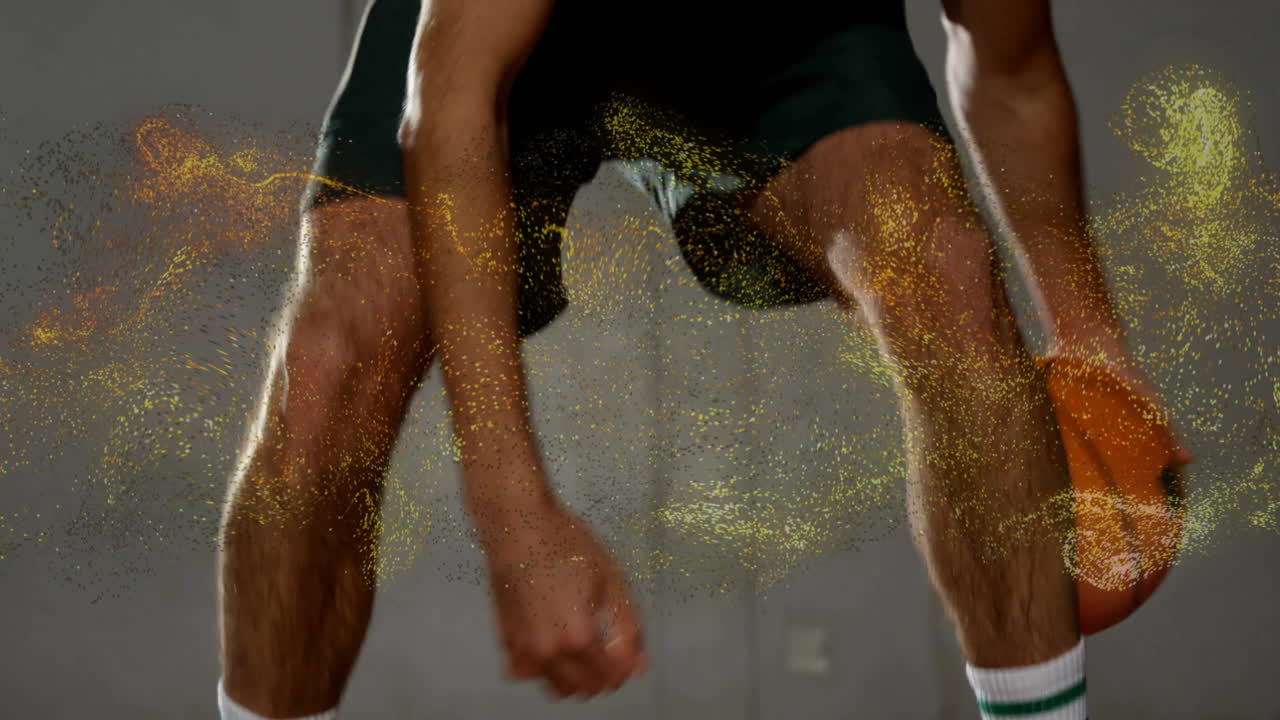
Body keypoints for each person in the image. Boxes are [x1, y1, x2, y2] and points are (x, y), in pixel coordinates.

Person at [217, 1, 1192, 718]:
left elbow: (1012, 70)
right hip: (498, 45)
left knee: (943, 267)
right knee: (328, 364)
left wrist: (1090, 340)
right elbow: (452, 104)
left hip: (784, 38)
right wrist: (515, 518)